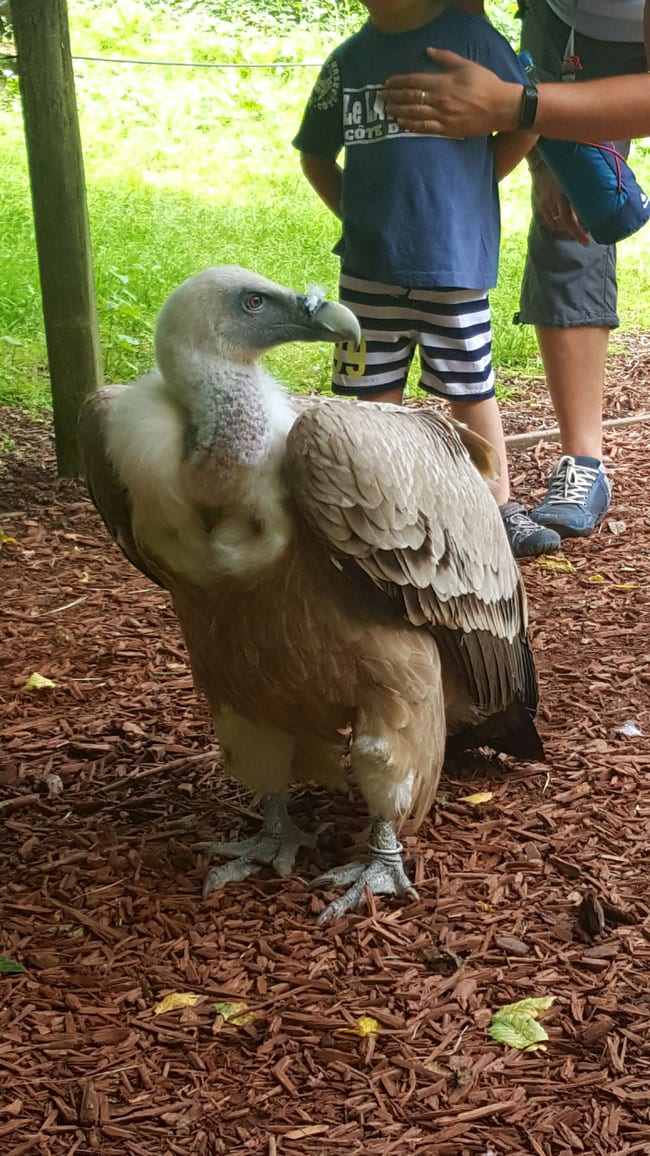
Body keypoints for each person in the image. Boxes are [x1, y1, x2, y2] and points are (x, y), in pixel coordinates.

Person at [293, 0, 561, 559]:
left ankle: (499, 509)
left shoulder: (472, 40)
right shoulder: (347, 61)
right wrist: (358, 214)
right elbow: (315, 154)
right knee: (368, 401)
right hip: (369, 273)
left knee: (471, 387)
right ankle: (377, 510)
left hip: (453, 266)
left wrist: (477, 184)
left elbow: (528, 120)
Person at [383, 0, 649, 539]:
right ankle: (585, 464)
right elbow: (468, 20)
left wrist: (525, 109)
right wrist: (547, 152)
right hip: (560, 29)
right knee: (570, 221)